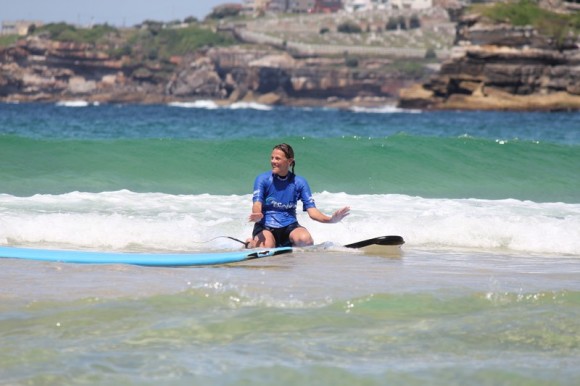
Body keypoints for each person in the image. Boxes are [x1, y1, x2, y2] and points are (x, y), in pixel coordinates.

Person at [246, 143, 350, 248]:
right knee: (267, 246)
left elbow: (312, 212)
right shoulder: (263, 179)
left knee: (306, 241)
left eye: (277, 158)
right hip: (265, 227)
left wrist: (331, 220)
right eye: (272, 158)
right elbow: (257, 204)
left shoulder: (299, 182)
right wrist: (257, 214)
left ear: (289, 161)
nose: (273, 161)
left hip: (289, 227)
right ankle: (251, 243)